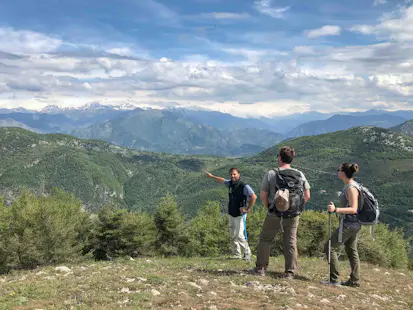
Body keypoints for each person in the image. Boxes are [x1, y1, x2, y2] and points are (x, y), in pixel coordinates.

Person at [254, 146, 311, 278]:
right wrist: (295, 207)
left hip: (275, 213)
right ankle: (290, 272)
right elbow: (307, 195)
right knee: (290, 242)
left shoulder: (272, 173)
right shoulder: (300, 174)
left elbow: (263, 196)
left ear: (279, 157)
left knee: (265, 239)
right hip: (293, 215)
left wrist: (270, 207)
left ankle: (261, 269)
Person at [323, 163, 361, 287]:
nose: (337, 171)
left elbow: (354, 209)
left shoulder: (351, 188)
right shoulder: (351, 186)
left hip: (349, 224)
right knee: (351, 250)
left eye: (338, 169)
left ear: (343, 173)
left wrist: (335, 209)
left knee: (330, 247)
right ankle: (354, 281)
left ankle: (334, 279)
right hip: (354, 224)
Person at [205, 168, 257, 260]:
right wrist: (212, 176)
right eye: (231, 174)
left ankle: (247, 252)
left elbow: (254, 196)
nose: (232, 176)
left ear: (238, 175)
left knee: (239, 235)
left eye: (234, 174)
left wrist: (247, 208)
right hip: (231, 212)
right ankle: (237, 254)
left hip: (240, 214)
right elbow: (222, 180)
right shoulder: (230, 183)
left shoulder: (244, 186)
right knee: (232, 234)